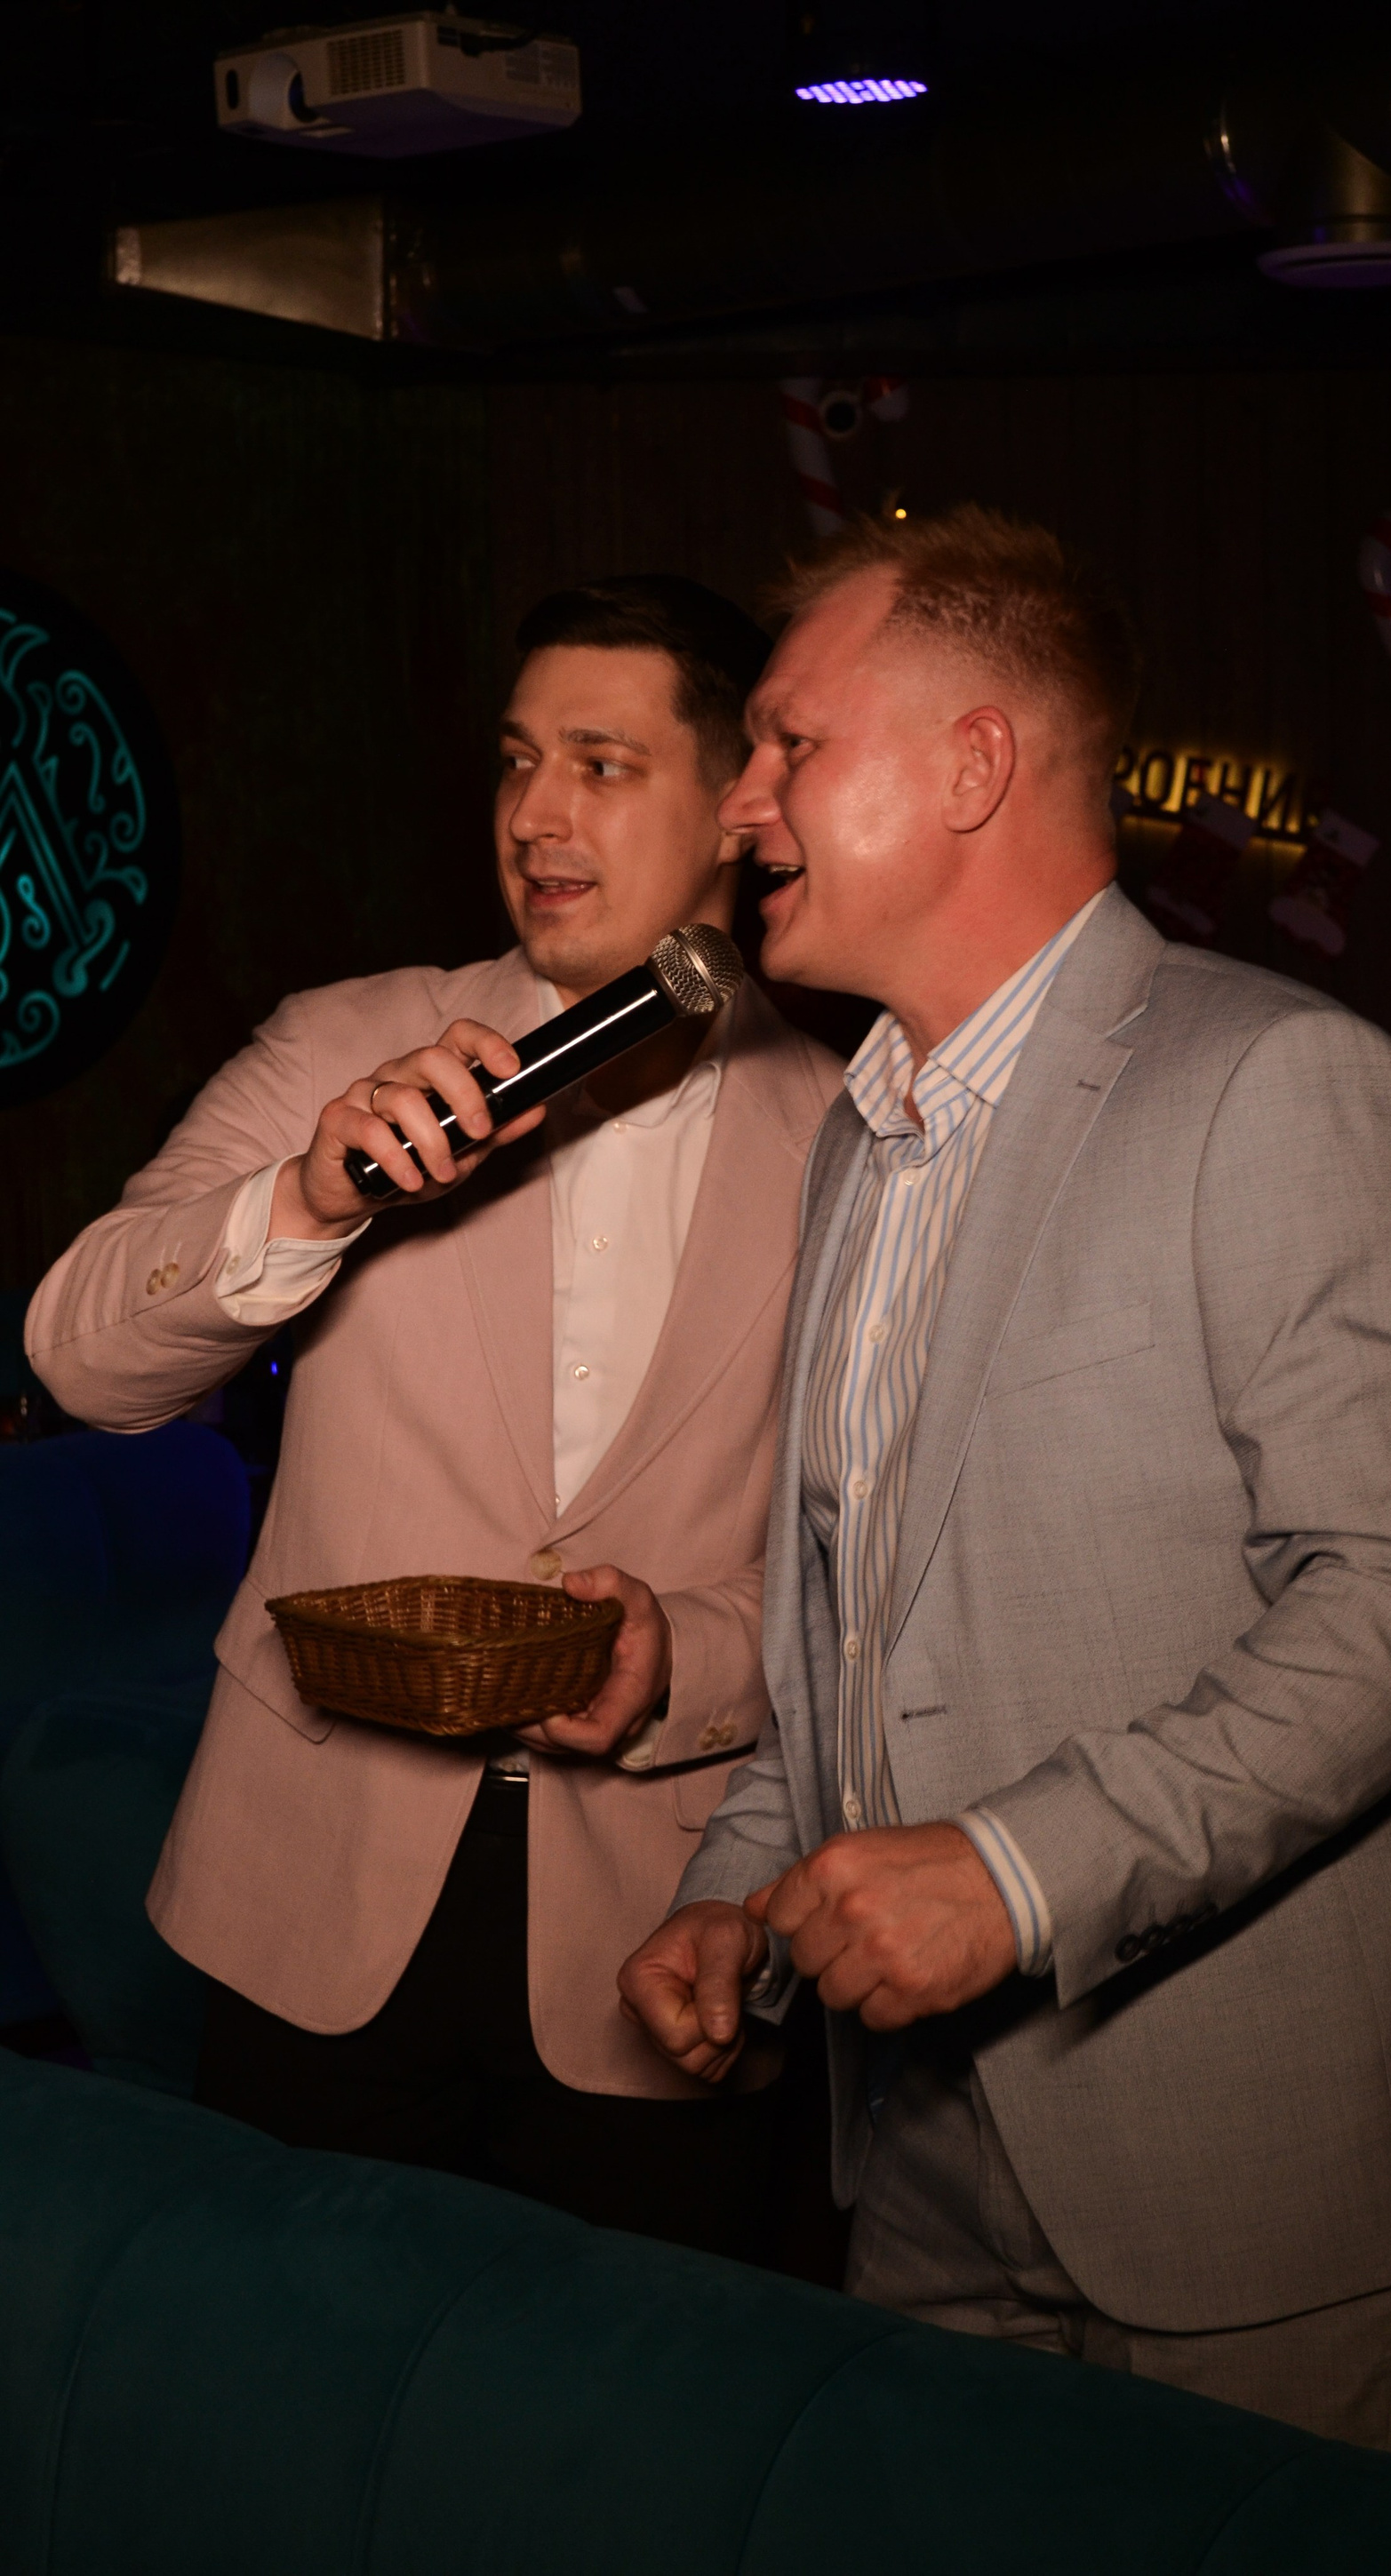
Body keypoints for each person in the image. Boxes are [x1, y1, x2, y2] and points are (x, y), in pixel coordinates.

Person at [619, 506, 1391, 2451]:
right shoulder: (857, 1137)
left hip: (1273, 2169)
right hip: (922, 2149)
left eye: (792, 741)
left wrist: (1018, 1870)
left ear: (977, 763)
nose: (740, 802)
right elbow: (852, 1630)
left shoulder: (1281, 1081)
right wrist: (740, 1897)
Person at [28, 576, 843, 2255]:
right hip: (311, 1889)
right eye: (517, 759)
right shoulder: (341, 1042)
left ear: (737, 803)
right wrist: (310, 1197)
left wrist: (684, 1656)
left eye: (603, 764)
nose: (536, 814)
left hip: (659, 1931)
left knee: (620, 2405)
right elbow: (79, 1357)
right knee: (280, 2369)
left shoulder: (850, 1140)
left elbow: (869, 1578)